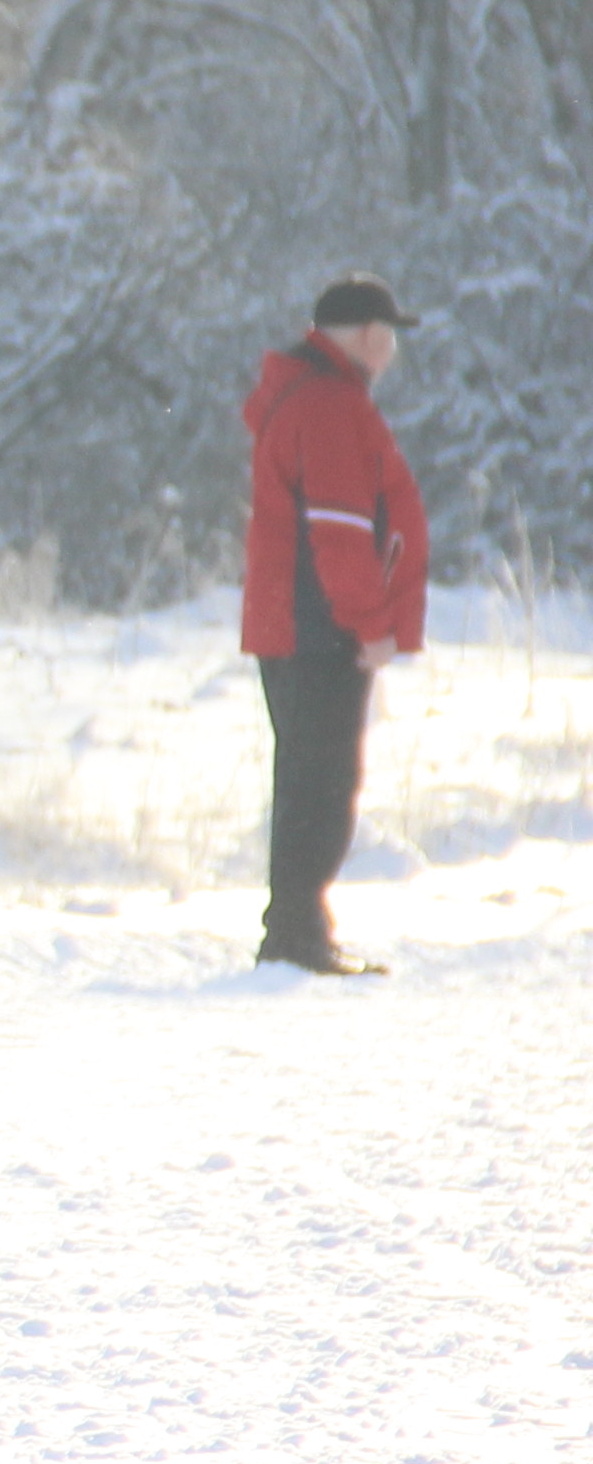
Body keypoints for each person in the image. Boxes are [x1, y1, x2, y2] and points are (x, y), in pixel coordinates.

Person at [238, 274, 427, 977]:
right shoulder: (331, 406)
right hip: (320, 628)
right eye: (390, 336)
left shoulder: (309, 395)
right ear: (374, 337)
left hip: (293, 624)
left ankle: (297, 930)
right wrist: (370, 623)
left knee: (308, 780)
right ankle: (293, 938)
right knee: (322, 786)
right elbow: (344, 532)